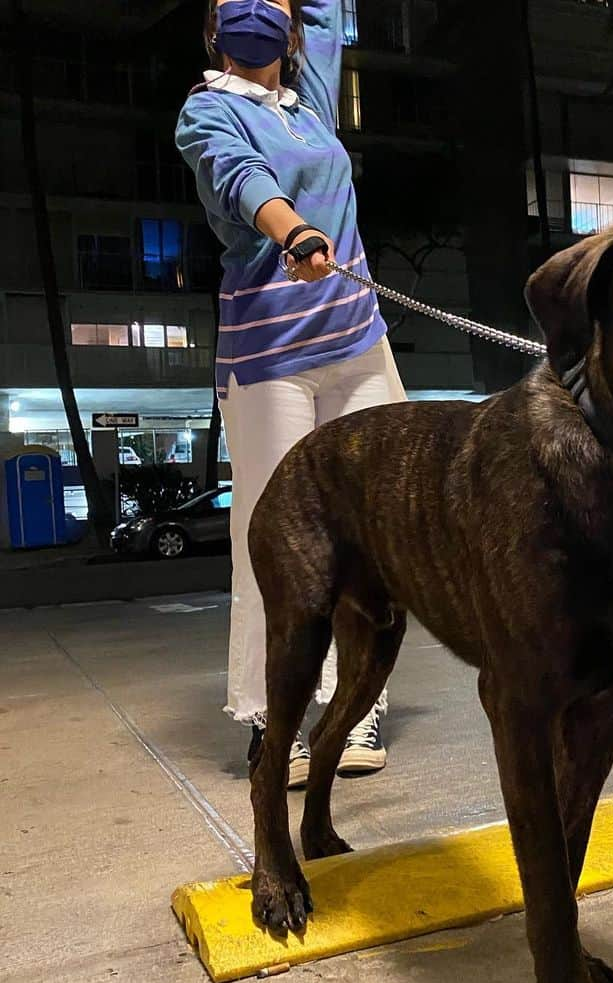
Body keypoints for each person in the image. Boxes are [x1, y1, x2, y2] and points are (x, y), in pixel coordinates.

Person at [176, 0, 403, 787]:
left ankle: (358, 703)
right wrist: (293, 230)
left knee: (377, 532)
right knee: (272, 540)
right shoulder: (206, 110)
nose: (252, 6)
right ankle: (274, 721)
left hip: (358, 342)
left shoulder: (307, 95)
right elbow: (241, 179)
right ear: (213, 25)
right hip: (269, 354)